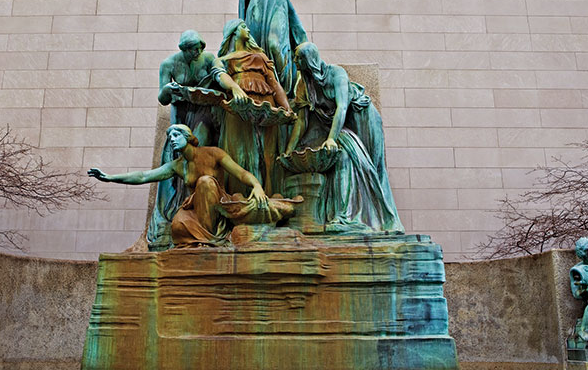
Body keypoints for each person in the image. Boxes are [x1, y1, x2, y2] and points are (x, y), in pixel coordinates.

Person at [89, 124, 292, 247]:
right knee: (177, 226)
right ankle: (204, 241)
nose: (172, 140)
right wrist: (110, 178)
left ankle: (212, 237)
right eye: (170, 137)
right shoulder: (178, 166)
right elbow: (144, 176)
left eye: (176, 136)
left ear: (188, 138)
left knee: (205, 182)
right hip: (196, 210)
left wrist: (257, 186)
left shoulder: (213, 153)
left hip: (217, 208)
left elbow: (241, 173)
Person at [285, 42, 404, 233]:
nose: (294, 60)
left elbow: (342, 107)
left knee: (374, 166)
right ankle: (347, 214)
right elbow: (301, 121)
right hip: (335, 125)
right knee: (346, 156)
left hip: (361, 117)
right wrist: (290, 149)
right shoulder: (304, 84)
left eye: (298, 57)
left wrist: (331, 138)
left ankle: (383, 219)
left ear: (309, 59)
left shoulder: (336, 73)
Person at [149, 30, 220, 248]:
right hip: (180, 114)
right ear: (184, 49)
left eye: (200, 48)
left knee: (197, 151)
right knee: (174, 157)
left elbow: (219, 79)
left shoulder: (208, 59)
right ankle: (176, 209)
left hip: (204, 112)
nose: (198, 52)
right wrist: (168, 90)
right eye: (194, 50)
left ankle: (200, 206)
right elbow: (162, 98)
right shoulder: (169, 64)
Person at [212, 19, 291, 196]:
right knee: (239, 151)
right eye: (243, 27)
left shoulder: (260, 57)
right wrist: (235, 88)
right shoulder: (222, 60)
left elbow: (274, 83)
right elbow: (219, 76)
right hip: (238, 109)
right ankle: (240, 196)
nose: (247, 30)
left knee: (268, 154)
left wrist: (286, 108)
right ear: (233, 32)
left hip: (266, 107)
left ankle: (269, 195)